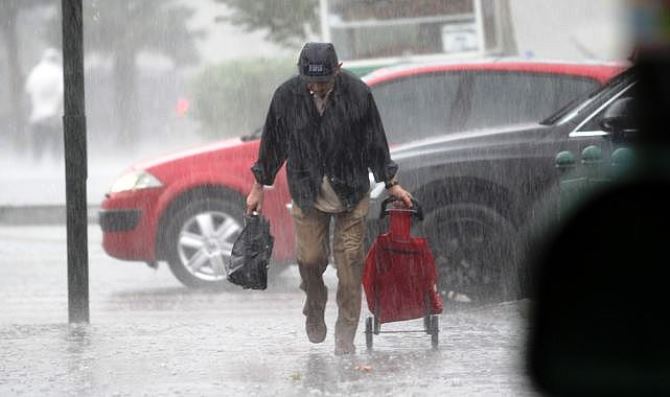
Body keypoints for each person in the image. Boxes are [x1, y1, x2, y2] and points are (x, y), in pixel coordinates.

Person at [246, 42, 413, 355]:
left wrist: (391, 183)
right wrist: (259, 185)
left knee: (350, 263)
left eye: (323, 82)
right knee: (310, 259)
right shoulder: (287, 96)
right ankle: (315, 305)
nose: (317, 87)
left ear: (338, 70)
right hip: (307, 192)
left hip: (351, 190)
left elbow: (376, 142)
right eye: (311, 81)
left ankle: (345, 334)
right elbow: (272, 144)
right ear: (301, 74)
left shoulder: (358, 94)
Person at [25, 48, 64, 161]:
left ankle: (37, 166)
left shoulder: (35, 71)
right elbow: (62, 93)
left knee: (38, 147)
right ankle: (56, 166)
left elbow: (28, 91)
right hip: (54, 115)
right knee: (56, 147)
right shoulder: (58, 72)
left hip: (37, 116)